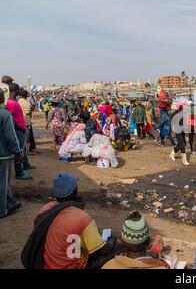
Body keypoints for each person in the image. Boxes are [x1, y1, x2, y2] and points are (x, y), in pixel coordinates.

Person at [21, 173, 118, 269]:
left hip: (44, 265)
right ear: (75, 190)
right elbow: (102, 250)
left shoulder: (45, 210)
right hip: (71, 266)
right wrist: (111, 241)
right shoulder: (82, 218)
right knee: (116, 250)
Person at [102, 211, 169, 269]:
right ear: (148, 242)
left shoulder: (108, 265)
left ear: (121, 242)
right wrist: (158, 238)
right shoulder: (161, 266)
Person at [0, 88, 23, 218]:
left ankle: (10, 204)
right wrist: (18, 152)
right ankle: (2, 210)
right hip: (3, 155)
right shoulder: (5, 114)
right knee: (3, 183)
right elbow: (11, 136)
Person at [6, 83, 33, 180]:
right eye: (18, 90)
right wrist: (20, 128)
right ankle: (19, 173)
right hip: (19, 131)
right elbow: (11, 119)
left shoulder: (13, 101)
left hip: (21, 129)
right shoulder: (11, 103)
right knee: (19, 152)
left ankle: (25, 165)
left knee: (22, 149)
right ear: (16, 90)